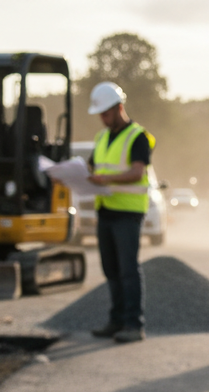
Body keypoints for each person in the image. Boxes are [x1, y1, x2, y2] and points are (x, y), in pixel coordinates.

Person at [85, 81, 155, 344]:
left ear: (119, 108)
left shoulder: (138, 136)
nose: (102, 118)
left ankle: (133, 324)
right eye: (100, 114)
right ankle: (115, 320)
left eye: (105, 113)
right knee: (110, 269)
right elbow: (92, 168)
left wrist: (107, 180)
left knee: (128, 270)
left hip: (128, 213)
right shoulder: (101, 137)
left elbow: (137, 171)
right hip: (106, 211)